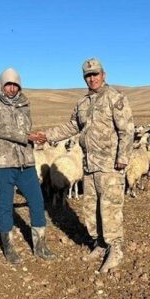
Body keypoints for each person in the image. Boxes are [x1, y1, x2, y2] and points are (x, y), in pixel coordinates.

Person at [31, 58, 134, 273]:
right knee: (91, 207)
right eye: (88, 75)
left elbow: (127, 130)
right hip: (89, 164)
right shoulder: (82, 103)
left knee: (110, 207)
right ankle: (100, 243)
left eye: (95, 74)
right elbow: (71, 126)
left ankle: (115, 248)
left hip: (110, 165)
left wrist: (123, 157)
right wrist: (47, 136)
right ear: (84, 78)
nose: (92, 78)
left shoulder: (115, 98)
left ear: (103, 75)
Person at [0, 68, 56, 264]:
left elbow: (26, 128)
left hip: (25, 161)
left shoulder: (24, 102)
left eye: (16, 85)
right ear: (2, 84)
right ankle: (9, 247)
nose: (12, 88)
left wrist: (34, 137)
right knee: (5, 205)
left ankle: (40, 244)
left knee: (37, 200)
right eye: (9, 84)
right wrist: (26, 136)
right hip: (2, 162)